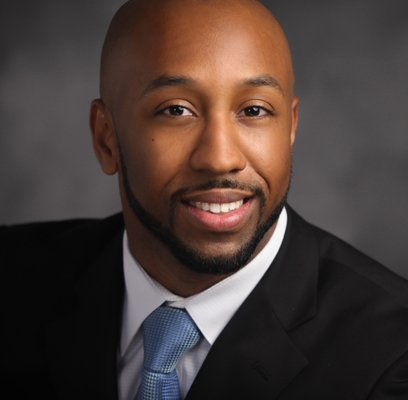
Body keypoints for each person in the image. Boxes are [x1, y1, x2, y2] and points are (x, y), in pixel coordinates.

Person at [1, 0, 408, 399]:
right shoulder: (12, 279)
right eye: (176, 110)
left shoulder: (392, 358)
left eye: (254, 110)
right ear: (106, 139)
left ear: (290, 129)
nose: (220, 158)